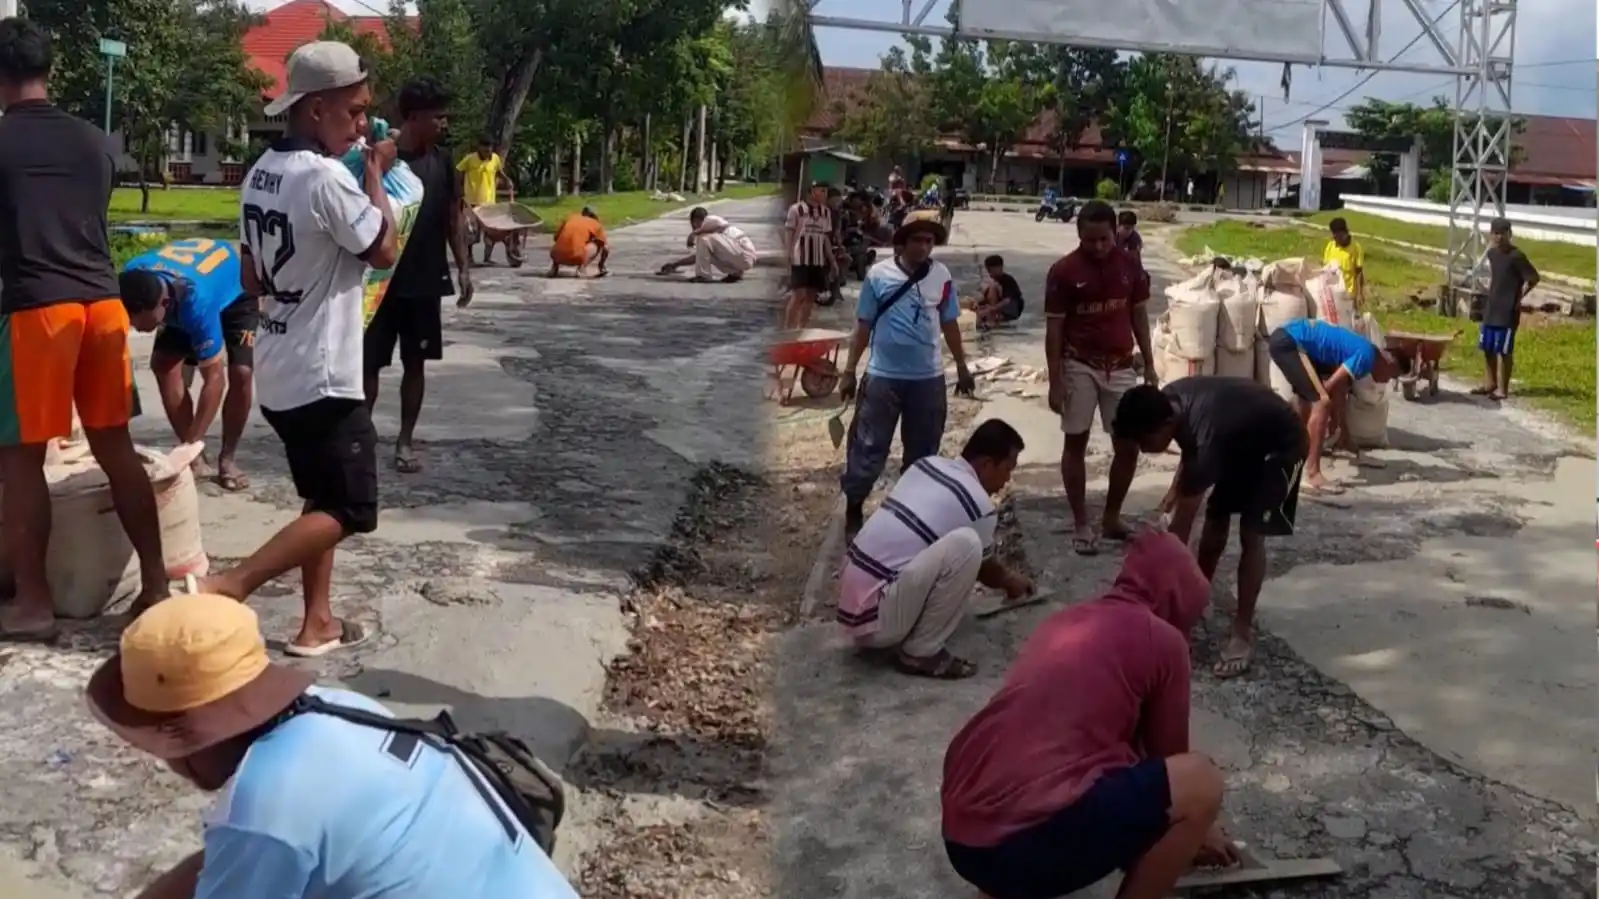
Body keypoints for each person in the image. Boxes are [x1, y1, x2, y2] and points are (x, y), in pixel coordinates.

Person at [86, 593, 581, 899]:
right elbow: (229, 856)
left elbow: (257, 840)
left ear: (189, 744)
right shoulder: (333, 706)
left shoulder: (267, 808)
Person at [193, 41, 395, 657]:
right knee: (352, 507)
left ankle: (317, 623)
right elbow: (383, 249)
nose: (362, 125)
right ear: (315, 111)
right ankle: (234, 583)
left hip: (280, 369)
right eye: (354, 112)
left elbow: (251, 277)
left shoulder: (258, 173)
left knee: (319, 495)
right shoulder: (325, 178)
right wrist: (376, 178)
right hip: (323, 373)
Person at [941, 532, 1234, 899]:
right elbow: (1170, 763)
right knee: (1201, 781)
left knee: (1055, 765)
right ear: (1176, 597)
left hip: (964, 837)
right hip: (1019, 845)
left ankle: (1002, 887)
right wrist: (1200, 832)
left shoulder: (1065, 622)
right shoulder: (1163, 640)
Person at [0, 17, 169, 638]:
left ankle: (32, 603)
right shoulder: (96, 142)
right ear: (49, 71)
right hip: (103, 307)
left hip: (38, 311)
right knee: (114, 447)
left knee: (19, 461)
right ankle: (155, 582)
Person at [1113, 378, 1307, 679]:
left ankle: (1241, 633)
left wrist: (1158, 594)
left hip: (1282, 445)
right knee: (1216, 521)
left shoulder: (1204, 433)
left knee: (1251, 535)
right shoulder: (1169, 401)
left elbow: (1178, 536)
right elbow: (1190, 454)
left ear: (1165, 425)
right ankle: (1195, 602)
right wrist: (1171, 496)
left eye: (1143, 442)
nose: (1141, 449)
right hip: (1238, 441)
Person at [837, 420, 1032, 680]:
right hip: (878, 623)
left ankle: (903, 629)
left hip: (851, 605)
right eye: (1007, 469)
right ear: (986, 464)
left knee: (936, 546)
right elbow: (986, 570)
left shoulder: (926, 465)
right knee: (967, 545)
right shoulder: (979, 503)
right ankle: (921, 651)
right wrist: (1011, 582)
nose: (1007, 480)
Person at [838, 214, 975, 535]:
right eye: (917, 240)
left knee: (923, 453)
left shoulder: (941, 276)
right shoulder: (878, 275)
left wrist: (963, 366)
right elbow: (863, 326)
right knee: (868, 447)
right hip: (883, 377)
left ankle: (908, 517)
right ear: (903, 242)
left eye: (929, 241)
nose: (924, 247)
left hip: (928, 379)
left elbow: (950, 323)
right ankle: (854, 508)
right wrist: (848, 372)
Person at [363, 78, 472, 476]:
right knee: (367, 366)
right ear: (413, 117)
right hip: (379, 283)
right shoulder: (381, 161)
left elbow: (453, 216)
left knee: (416, 363)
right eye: (437, 116)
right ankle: (361, 440)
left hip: (425, 281)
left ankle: (405, 441)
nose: (444, 123)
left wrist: (462, 266)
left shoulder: (443, 161)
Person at [1044, 199, 1156, 556]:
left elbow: (1139, 316)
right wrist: (1055, 379)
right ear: (1079, 234)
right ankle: (1080, 521)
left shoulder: (1130, 266)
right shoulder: (1062, 272)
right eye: (1090, 240)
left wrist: (1150, 363)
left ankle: (1111, 517)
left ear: (1115, 233)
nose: (1098, 247)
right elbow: (1054, 329)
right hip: (1078, 363)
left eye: (1104, 239)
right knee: (1075, 442)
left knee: (1127, 444)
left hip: (1121, 365)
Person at [119, 239, 257, 491]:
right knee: (163, 364)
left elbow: (215, 380)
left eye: (141, 323)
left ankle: (226, 458)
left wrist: (193, 443)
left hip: (234, 291)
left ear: (162, 304)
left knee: (241, 373)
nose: (136, 328)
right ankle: (194, 458)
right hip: (187, 285)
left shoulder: (197, 304)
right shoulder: (131, 276)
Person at [1265, 318, 1400, 495]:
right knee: (1321, 402)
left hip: (1288, 339)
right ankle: (1312, 475)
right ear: (1388, 361)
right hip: (1290, 342)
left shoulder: (1360, 351)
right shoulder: (1367, 356)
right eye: (1391, 375)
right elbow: (1328, 389)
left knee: (1307, 399)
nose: (1386, 381)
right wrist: (1328, 416)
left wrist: (1343, 434)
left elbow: (1339, 391)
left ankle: (1283, 450)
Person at [1473, 217, 1540, 401]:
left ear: (1509, 234)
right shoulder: (1492, 254)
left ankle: (1503, 389)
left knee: (1504, 350)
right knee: (1487, 347)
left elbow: (1533, 278)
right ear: (1491, 234)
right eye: (1495, 233)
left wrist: (1520, 297)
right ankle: (1490, 383)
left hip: (1508, 309)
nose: (1499, 237)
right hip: (1492, 306)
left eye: (1502, 233)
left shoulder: (1516, 256)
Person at [783, 181, 836, 329]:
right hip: (800, 257)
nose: (825, 194)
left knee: (811, 296)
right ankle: (789, 328)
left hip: (817, 259)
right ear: (813, 191)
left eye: (826, 191)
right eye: (822, 191)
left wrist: (831, 260)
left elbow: (825, 237)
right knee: (798, 294)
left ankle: (802, 327)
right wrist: (789, 253)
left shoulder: (826, 212)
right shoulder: (796, 209)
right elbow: (789, 231)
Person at [458, 135, 517, 265]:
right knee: (471, 231)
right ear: (479, 147)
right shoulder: (469, 159)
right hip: (472, 201)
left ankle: (487, 257)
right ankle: (469, 257)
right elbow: (459, 173)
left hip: (489, 202)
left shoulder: (495, 159)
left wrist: (507, 180)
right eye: (485, 148)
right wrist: (459, 190)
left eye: (489, 148)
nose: (487, 151)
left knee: (492, 231)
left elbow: (499, 172)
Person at [659, 206, 758, 282]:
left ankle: (703, 276)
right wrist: (676, 264)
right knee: (707, 251)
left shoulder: (711, 220)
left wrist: (693, 234)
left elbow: (709, 228)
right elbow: (699, 256)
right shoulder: (715, 236)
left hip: (744, 253)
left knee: (703, 238)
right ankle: (736, 273)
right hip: (742, 257)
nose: (693, 226)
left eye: (693, 223)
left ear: (696, 220)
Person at [547, 207, 609, 278]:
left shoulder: (570, 218)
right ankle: (581, 269)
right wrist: (601, 264)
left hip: (556, 256)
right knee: (598, 243)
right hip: (577, 257)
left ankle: (554, 268)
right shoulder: (596, 224)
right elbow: (606, 248)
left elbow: (556, 238)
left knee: (562, 242)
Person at [1321, 217, 1365, 311]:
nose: (1335, 240)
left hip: (1348, 295)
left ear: (1344, 234)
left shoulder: (1356, 248)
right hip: (1332, 295)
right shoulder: (1330, 246)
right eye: (1334, 237)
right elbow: (1324, 270)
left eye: (1337, 237)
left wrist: (1360, 294)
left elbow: (1359, 273)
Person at [973, 254, 1023, 329]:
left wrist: (992, 309)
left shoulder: (1007, 280)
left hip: (1011, 309)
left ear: (999, 268)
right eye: (988, 271)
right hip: (1000, 308)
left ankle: (991, 320)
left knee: (993, 287)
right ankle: (986, 321)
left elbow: (1007, 300)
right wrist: (978, 304)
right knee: (978, 311)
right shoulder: (994, 281)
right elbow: (986, 298)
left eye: (991, 270)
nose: (990, 273)